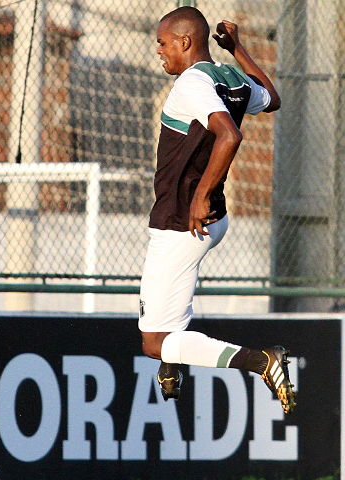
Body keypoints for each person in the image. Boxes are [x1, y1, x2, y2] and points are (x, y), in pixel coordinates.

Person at [138, 6, 295, 414]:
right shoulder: (230, 76)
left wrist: (200, 195)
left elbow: (229, 134)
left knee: (154, 342)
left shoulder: (191, 83)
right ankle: (174, 363)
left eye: (163, 42)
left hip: (183, 220)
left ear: (185, 42)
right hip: (212, 219)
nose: (159, 51)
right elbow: (271, 99)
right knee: (170, 314)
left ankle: (262, 362)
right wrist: (239, 49)